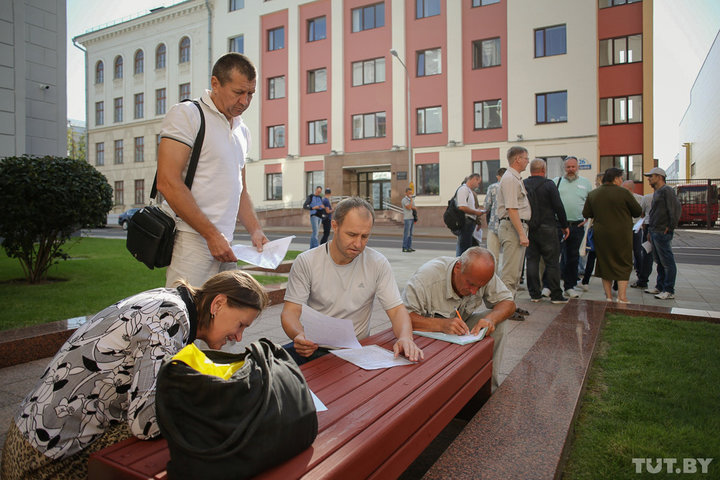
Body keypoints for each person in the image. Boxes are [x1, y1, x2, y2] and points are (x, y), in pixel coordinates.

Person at [1, 271, 269, 480]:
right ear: (218, 304)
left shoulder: (171, 302)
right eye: (241, 324)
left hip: (34, 439)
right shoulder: (170, 318)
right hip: (44, 461)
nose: (239, 336)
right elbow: (145, 423)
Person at [157, 53, 267, 288]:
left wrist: (255, 230)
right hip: (191, 239)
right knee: (183, 316)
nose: (245, 101)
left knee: (222, 319)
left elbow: (240, 189)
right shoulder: (187, 114)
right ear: (215, 84)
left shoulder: (242, 130)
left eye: (251, 94)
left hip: (225, 243)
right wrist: (211, 235)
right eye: (238, 92)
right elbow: (167, 182)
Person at [280, 197, 423, 364]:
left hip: (356, 351)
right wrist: (299, 335)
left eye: (365, 236)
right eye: (352, 234)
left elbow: (397, 310)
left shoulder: (377, 263)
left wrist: (406, 338)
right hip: (313, 346)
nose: (358, 244)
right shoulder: (307, 261)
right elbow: (290, 312)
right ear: (335, 226)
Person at [403, 247, 515, 390]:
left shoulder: (481, 275)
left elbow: (509, 304)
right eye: (471, 284)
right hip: (426, 337)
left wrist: (491, 319)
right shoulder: (427, 277)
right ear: (458, 267)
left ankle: (488, 389)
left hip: (460, 330)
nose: (474, 291)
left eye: (480, 286)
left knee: (500, 323)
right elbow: (402, 317)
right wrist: (441, 325)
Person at [582, 168, 642, 303]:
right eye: (621, 178)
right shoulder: (624, 193)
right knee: (624, 262)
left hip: (601, 234)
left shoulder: (593, 194)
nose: (621, 181)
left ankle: (608, 296)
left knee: (605, 263)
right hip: (622, 234)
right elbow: (637, 211)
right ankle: (622, 296)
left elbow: (586, 213)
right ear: (615, 178)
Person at [523, 159, 569, 304]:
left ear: (531, 170)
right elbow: (558, 206)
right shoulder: (549, 184)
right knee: (552, 262)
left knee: (532, 261)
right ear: (544, 169)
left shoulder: (523, 184)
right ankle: (556, 295)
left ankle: (534, 294)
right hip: (548, 227)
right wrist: (564, 225)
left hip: (530, 228)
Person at [497, 147, 531, 320]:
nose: (527, 161)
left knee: (516, 272)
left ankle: (511, 305)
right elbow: (512, 209)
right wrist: (522, 234)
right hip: (512, 228)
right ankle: (505, 309)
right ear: (517, 159)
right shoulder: (510, 179)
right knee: (510, 273)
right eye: (526, 158)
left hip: (516, 227)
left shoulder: (514, 178)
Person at [554, 156, 592, 298]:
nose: (570, 170)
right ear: (564, 168)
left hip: (577, 226)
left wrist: (587, 218)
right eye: (568, 167)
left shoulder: (586, 184)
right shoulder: (556, 182)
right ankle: (549, 286)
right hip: (558, 225)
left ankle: (569, 286)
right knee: (553, 256)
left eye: (573, 167)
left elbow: (591, 203)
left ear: (578, 168)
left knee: (573, 258)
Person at [643, 167, 681, 300]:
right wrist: (649, 231)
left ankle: (669, 290)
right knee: (659, 261)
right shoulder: (658, 191)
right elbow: (654, 213)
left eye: (651, 176)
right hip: (654, 230)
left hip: (662, 231)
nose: (649, 179)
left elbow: (675, 209)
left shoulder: (667, 190)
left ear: (659, 177)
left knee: (667, 261)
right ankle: (660, 286)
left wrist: (669, 227)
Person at [630, 191, 655, 289]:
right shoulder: (643, 197)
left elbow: (641, 213)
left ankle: (642, 279)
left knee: (645, 253)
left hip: (645, 226)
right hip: (652, 227)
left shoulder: (646, 198)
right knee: (644, 253)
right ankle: (662, 285)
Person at [455, 173, 485, 256]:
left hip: (470, 222)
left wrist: (477, 216)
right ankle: (460, 266)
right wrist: (476, 212)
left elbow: (471, 206)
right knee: (463, 249)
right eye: (478, 182)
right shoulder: (463, 189)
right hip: (465, 222)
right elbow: (462, 207)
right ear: (474, 179)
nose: (478, 185)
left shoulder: (469, 191)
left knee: (467, 248)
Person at [484, 168, 507, 271]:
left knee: (493, 255)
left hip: (494, 224)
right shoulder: (513, 186)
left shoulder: (493, 187)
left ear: (498, 176)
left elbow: (486, 205)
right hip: (509, 225)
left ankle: (493, 279)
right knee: (509, 257)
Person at [401, 187, 416, 252]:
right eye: (409, 193)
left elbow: (415, 208)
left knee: (410, 234)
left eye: (411, 193)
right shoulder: (404, 200)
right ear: (406, 193)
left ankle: (409, 247)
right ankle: (404, 247)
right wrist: (411, 201)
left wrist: (411, 204)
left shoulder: (410, 200)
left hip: (412, 218)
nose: (411, 194)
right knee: (406, 233)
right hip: (407, 219)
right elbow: (409, 208)